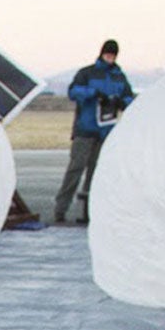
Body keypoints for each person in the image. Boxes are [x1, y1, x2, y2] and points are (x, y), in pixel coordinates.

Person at [53, 39, 135, 225]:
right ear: (101, 53)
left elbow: (129, 98)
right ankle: (61, 208)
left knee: (96, 173)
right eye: (107, 54)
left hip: (106, 132)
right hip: (85, 129)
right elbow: (73, 92)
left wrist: (121, 103)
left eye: (113, 55)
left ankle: (88, 212)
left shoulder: (119, 77)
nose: (110, 58)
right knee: (75, 169)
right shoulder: (87, 73)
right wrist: (94, 94)